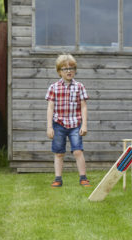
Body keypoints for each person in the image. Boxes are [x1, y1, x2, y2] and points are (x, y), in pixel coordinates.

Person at [45, 54, 91, 188]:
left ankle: (83, 177)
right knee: (59, 152)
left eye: (71, 68)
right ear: (59, 71)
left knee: (78, 151)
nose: (69, 71)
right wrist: (49, 127)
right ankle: (58, 179)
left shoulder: (79, 86)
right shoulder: (53, 87)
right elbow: (50, 108)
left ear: (75, 70)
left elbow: (83, 106)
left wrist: (84, 124)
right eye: (65, 69)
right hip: (58, 124)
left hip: (75, 124)